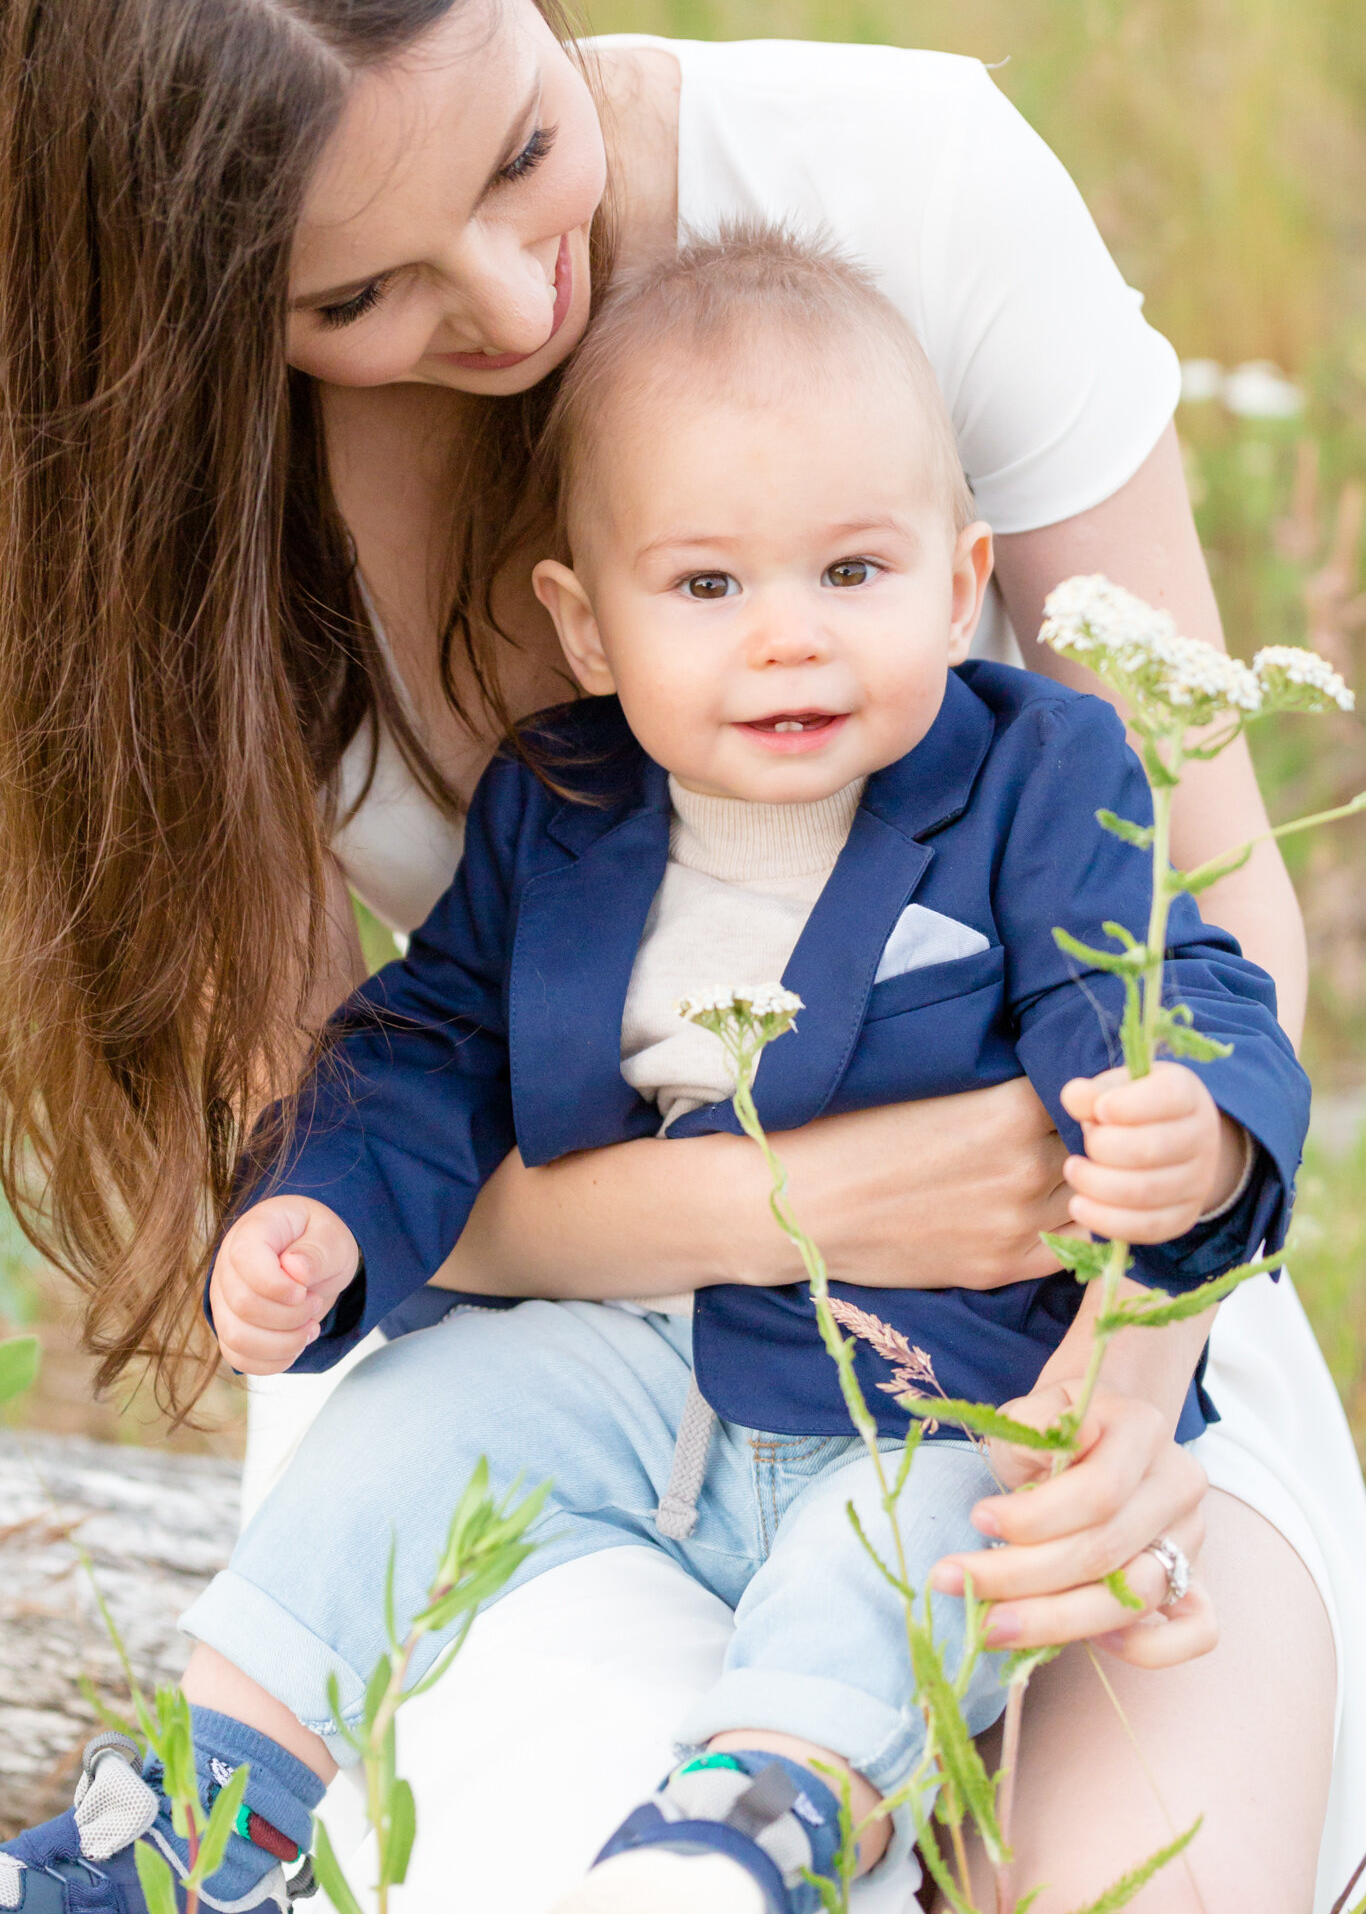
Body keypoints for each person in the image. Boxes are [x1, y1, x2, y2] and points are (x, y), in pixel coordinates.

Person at [0, 0, 1355, 1907]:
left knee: (1134, 1873)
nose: (506, 297)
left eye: (517, 155)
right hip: (531, 1339)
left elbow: (1204, 929)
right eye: (352, 298)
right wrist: (801, 1199)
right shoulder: (175, 547)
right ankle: (216, 1803)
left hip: (1033, 1324)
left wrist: (1120, 1367)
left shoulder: (907, 198)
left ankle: (781, 1779)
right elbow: (351, 1106)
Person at [167, 228, 1301, 1914]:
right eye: (707, 587)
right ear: (590, 625)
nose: (786, 639)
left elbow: (1164, 982)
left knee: (924, 1552)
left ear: (954, 572)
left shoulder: (1030, 775)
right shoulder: (558, 808)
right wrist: (319, 1209)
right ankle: (199, 1814)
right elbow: (427, 1045)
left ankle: (749, 1823)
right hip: (631, 1362)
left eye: (851, 572)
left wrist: (1189, 1138)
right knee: (408, 1424)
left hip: (917, 1385)